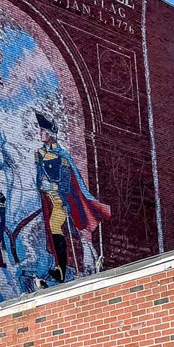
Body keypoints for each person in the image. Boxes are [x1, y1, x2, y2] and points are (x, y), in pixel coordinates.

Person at [34, 111, 110, 282]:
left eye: (43, 131)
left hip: (61, 199)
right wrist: (41, 185)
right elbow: (39, 176)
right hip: (47, 199)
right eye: (40, 130)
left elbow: (67, 181)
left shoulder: (62, 156)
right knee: (50, 228)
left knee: (62, 226)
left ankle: (69, 267)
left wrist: (54, 187)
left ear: (51, 134)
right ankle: (57, 267)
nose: (40, 134)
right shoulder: (38, 154)